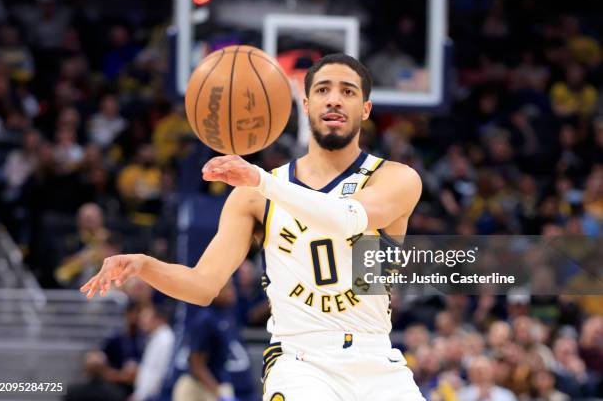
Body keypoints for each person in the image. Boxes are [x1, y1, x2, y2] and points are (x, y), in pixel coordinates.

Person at [81, 53, 424, 400]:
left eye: (348, 92)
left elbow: (347, 217)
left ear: (365, 109)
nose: (334, 98)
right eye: (323, 89)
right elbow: (203, 286)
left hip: (377, 358)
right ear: (305, 104)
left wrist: (261, 180)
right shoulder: (253, 196)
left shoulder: (395, 178)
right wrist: (144, 265)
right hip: (300, 361)